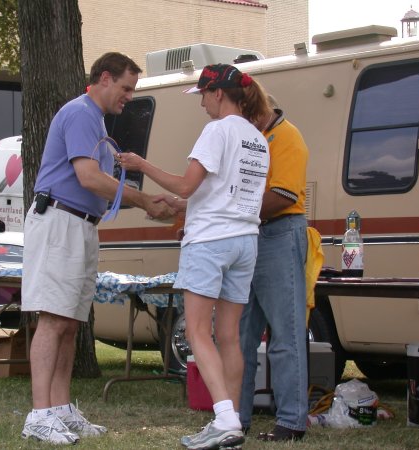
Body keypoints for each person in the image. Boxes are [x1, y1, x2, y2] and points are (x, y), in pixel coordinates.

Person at [19, 52, 175, 446]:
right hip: (59, 222)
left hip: (81, 225)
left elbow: (102, 188)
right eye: (126, 88)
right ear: (105, 78)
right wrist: (144, 200)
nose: (129, 96)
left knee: (70, 322)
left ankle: (59, 408)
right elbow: (89, 178)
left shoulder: (96, 121)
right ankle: (39, 415)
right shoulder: (80, 113)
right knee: (53, 319)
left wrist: (150, 203)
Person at [119, 63, 270, 450]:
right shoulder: (258, 138)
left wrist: (141, 164)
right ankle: (233, 418)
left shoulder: (217, 130)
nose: (202, 104)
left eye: (203, 95)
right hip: (245, 241)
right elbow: (222, 194)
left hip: (210, 242)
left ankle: (225, 419)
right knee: (230, 337)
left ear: (218, 93)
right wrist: (183, 205)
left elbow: (187, 184)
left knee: (197, 332)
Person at [238, 95, 310, 441]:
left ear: (257, 113)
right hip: (250, 235)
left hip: (279, 233)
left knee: (285, 333)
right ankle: (236, 418)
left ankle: (291, 421)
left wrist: (233, 212)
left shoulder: (287, 136)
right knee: (240, 335)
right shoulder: (255, 138)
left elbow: (284, 195)